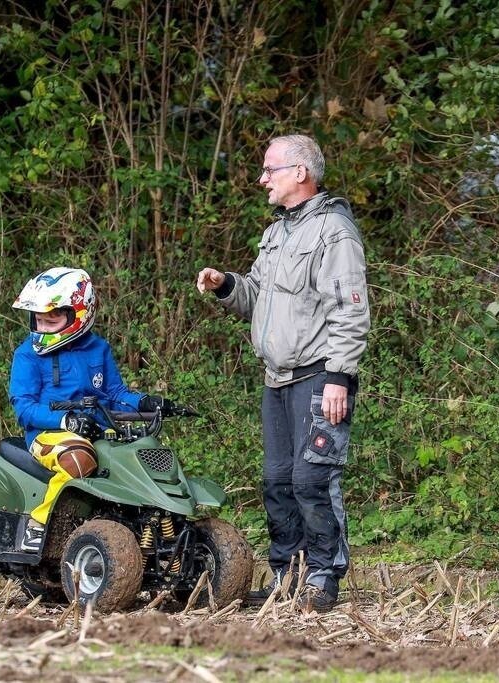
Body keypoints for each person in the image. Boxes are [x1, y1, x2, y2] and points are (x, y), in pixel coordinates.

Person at [196, 134, 370, 612]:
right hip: (277, 379)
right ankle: (285, 576)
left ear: (300, 173)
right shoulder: (277, 232)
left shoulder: (333, 231)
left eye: (270, 170)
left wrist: (339, 376)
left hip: (319, 377)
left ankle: (322, 576)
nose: (262, 179)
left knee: (313, 481)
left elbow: (350, 311)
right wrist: (227, 285)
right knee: (277, 482)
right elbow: (257, 295)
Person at [9, 266, 179, 552]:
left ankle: (148, 530)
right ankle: (38, 526)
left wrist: (147, 403)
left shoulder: (98, 348)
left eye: (52, 321)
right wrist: (65, 420)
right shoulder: (27, 354)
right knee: (79, 459)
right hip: (48, 434)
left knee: (142, 455)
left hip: (98, 429)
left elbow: (114, 394)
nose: (43, 328)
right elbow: (23, 408)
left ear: (79, 314)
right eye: (39, 321)